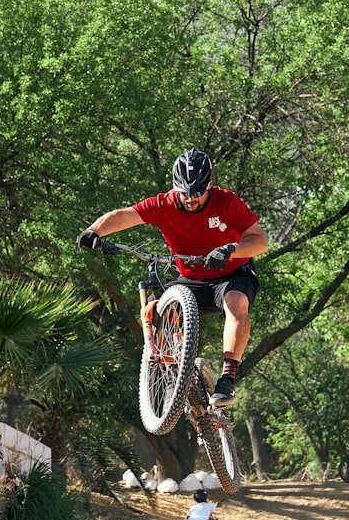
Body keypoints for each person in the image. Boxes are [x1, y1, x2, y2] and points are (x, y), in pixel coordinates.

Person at [77, 148, 269, 408]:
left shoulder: (226, 202)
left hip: (231, 274)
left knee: (236, 302)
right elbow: (125, 215)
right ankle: (174, 376)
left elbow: (260, 241)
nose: (190, 198)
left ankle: (227, 378)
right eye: (184, 192)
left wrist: (229, 251)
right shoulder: (164, 205)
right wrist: (94, 230)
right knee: (160, 309)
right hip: (190, 277)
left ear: (209, 186)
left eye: (197, 192)